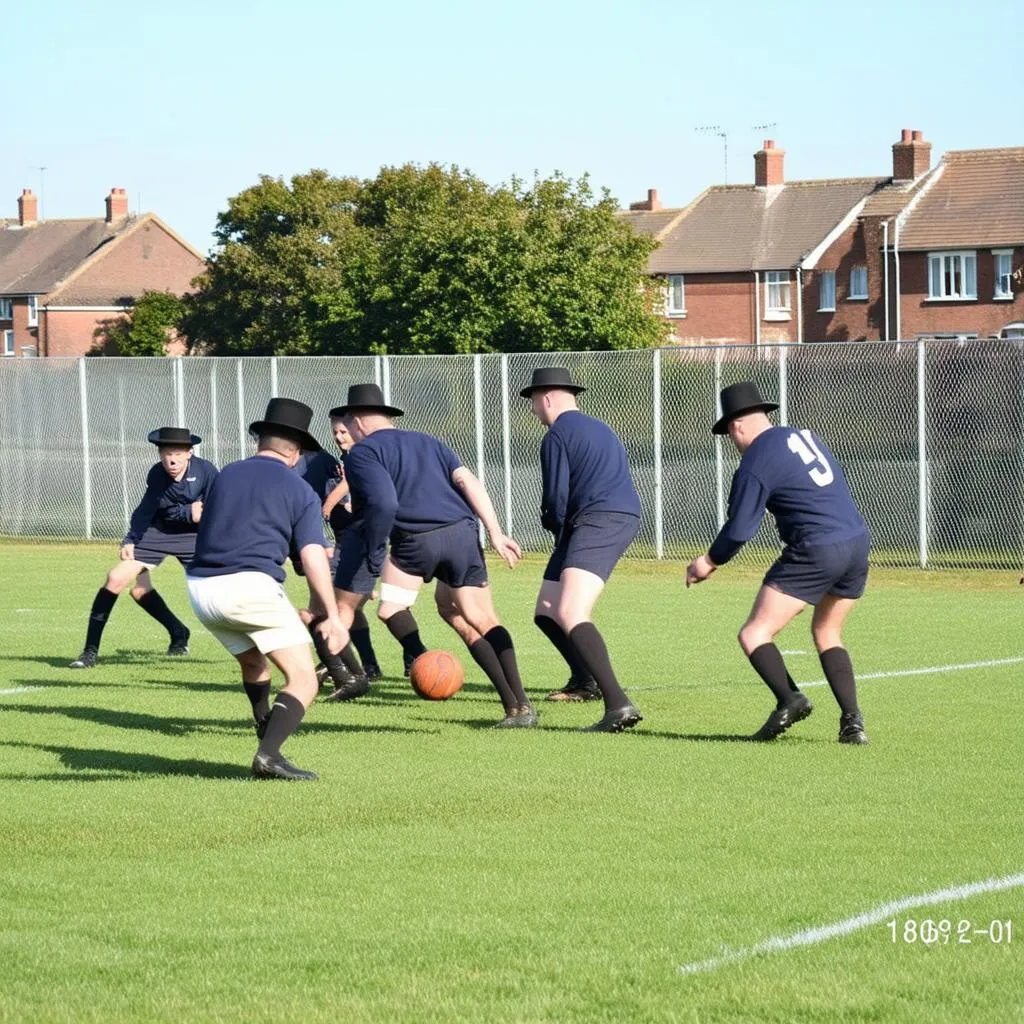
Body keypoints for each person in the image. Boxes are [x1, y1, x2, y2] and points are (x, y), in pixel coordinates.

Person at [336, 383, 535, 728]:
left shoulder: (362, 453)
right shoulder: (430, 441)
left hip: (416, 541)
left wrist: (373, 548)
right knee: (474, 615)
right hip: (462, 533)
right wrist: (496, 531)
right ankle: (519, 706)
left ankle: (420, 653)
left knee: (391, 608)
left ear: (356, 422)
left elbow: (384, 503)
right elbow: (468, 482)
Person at [685, 381, 870, 745]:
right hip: (856, 542)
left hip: (816, 548)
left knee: (754, 633)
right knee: (827, 632)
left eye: (730, 434)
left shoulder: (756, 458)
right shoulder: (801, 436)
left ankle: (791, 699)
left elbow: (740, 528)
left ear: (737, 426)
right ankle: (853, 723)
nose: (734, 443)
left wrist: (708, 561)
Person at [186, 398, 347, 780]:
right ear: (298, 453)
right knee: (304, 678)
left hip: (201, 589)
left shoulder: (225, 474)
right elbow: (311, 557)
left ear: (261, 440)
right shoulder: (301, 489)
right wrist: (335, 616)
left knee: (253, 660)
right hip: (249, 588)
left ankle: (264, 726)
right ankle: (269, 755)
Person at [522, 367, 644, 733]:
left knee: (572, 609)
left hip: (598, 520)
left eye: (532, 402)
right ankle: (584, 680)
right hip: (600, 518)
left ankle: (618, 705)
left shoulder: (557, 435)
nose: (531, 410)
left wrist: (554, 527)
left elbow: (555, 499)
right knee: (547, 610)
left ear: (545, 398)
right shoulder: (601, 427)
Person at [69, 426, 217, 669]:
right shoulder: (157, 474)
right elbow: (149, 509)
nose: (172, 459)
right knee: (116, 578)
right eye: (166, 453)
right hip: (158, 532)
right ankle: (89, 652)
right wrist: (131, 539)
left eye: (178, 453)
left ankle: (250, 646)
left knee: (213, 595)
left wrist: (208, 522)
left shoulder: (206, 471)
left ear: (190, 453)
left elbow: (218, 506)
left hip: (194, 538)